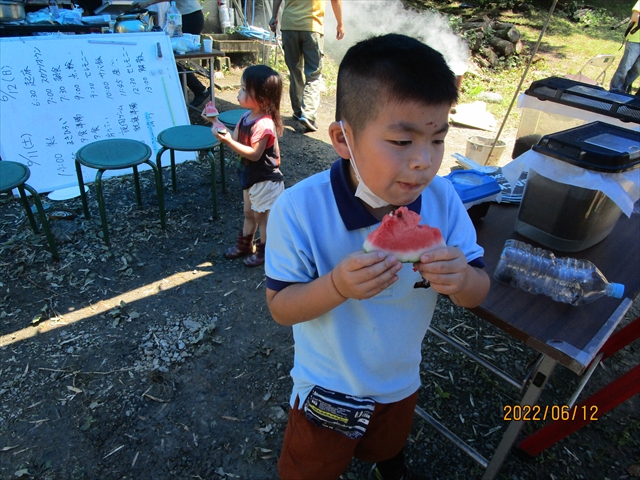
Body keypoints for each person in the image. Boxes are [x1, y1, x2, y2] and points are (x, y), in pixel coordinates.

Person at [264, 34, 490, 480]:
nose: (424, 162)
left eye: (437, 140)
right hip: (325, 388)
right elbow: (280, 308)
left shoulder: (444, 202)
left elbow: (478, 292)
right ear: (342, 139)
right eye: (401, 142)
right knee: (311, 468)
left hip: (401, 382)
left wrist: (462, 280)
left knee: (388, 448)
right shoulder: (298, 209)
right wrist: (335, 287)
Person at [205, 65, 284, 267]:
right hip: (249, 175)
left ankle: (265, 251)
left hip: (265, 179)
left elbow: (255, 154)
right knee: (249, 213)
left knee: (262, 217)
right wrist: (215, 122)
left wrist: (228, 143)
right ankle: (245, 245)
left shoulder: (265, 125)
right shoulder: (245, 117)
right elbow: (234, 138)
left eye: (243, 90)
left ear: (263, 98)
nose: (238, 94)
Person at [269, 0, 345, 133]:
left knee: (294, 71)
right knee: (313, 74)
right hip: (312, 27)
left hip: (289, 26)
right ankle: (308, 114)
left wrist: (274, 16)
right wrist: (340, 24)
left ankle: (298, 111)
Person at [134, 0, 210, 107]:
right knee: (171, 58)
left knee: (170, 58)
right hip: (184, 16)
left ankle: (188, 96)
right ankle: (195, 92)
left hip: (189, 17)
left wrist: (146, 2)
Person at [610, 1, 640, 94]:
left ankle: (623, 90)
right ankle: (614, 90)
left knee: (637, 69)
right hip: (635, 40)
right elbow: (635, 17)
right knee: (625, 66)